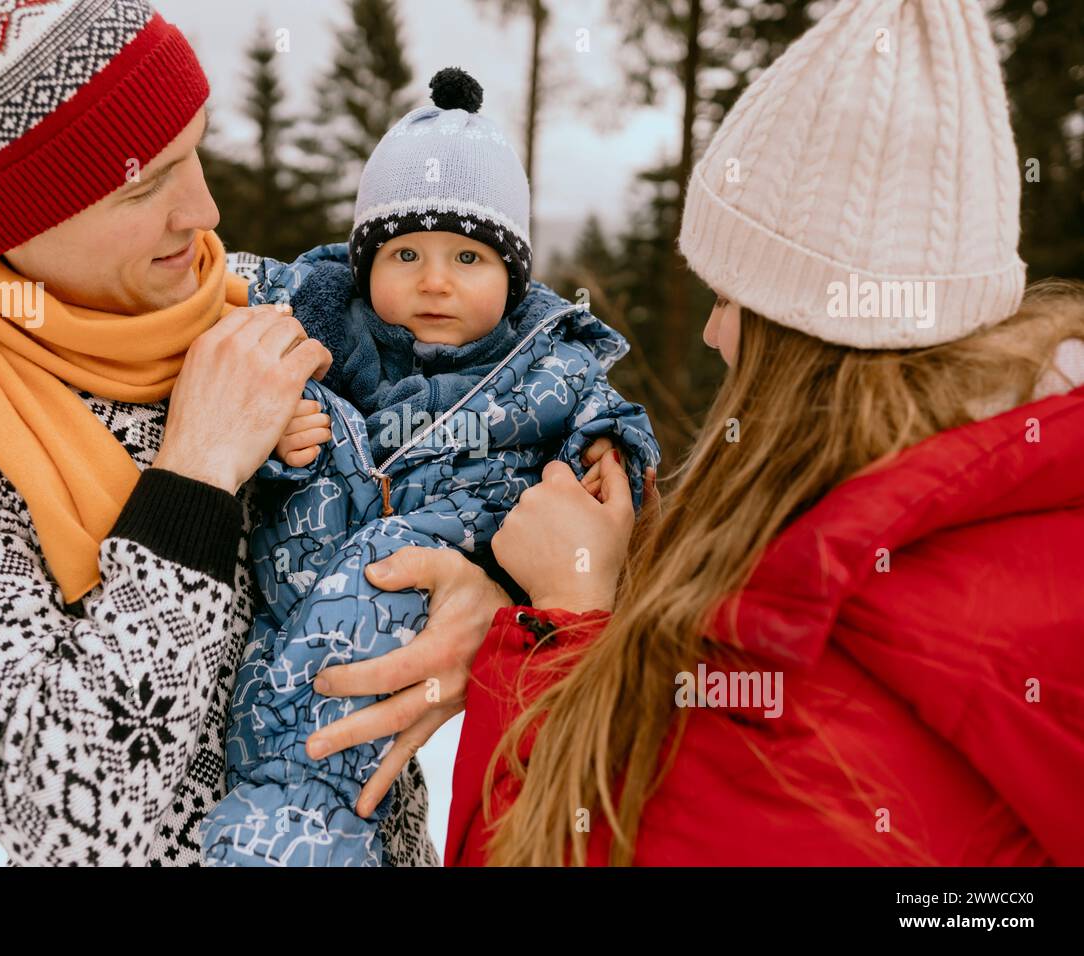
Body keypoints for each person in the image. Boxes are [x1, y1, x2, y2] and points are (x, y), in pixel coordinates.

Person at [305, 0, 1084, 865]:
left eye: (727, 300)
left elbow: (562, 846)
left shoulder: (809, 734)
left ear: (807, 332)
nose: (712, 333)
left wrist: (567, 620)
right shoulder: (1029, 508)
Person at [0, 0, 437, 865]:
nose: (205, 211)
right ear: (16, 218)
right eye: (146, 185)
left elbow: (487, 439)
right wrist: (196, 477)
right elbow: (68, 816)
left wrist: (490, 595)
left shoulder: (269, 301)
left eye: (197, 149)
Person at [198, 68, 658, 866]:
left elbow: (612, 445)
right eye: (404, 251)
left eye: (468, 257)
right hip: (294, 597)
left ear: (512, 276)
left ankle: (286, 837)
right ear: (366, 262)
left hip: (424, 588)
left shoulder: (547, 372)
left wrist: (612, 459)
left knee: (322, 753)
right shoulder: (311, 336)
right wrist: (279, 444)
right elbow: (227, 364)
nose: (434, 280)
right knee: (295, 724)